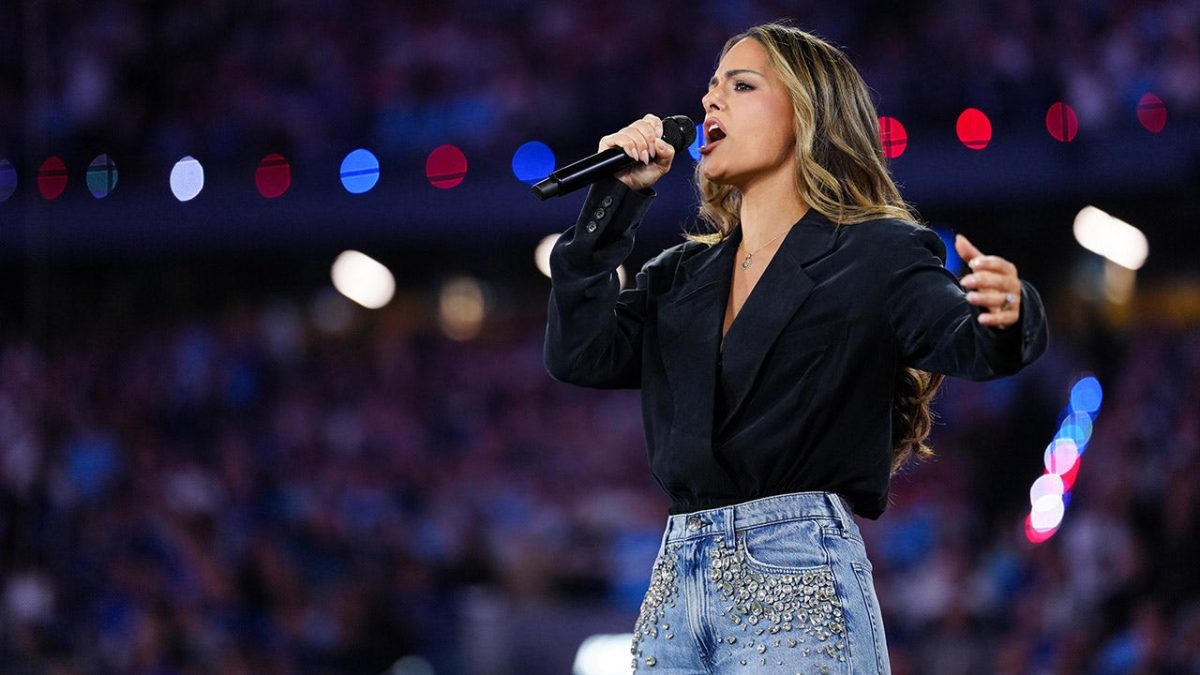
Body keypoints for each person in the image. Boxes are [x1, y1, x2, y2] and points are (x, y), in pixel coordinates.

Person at [543, 22, 1048, 673]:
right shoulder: (679, 275)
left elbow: (967, 339)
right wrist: (614, 202)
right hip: (675, 579)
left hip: (795, 572)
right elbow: (579, 352)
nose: (710, 102)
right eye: (712, 88)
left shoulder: (875, 253)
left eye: (741, 85)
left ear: (806, 114)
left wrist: (1008, 315)